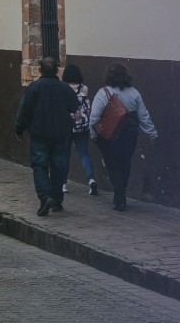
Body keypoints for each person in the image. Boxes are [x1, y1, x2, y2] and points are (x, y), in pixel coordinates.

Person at [89, 64, 157, 211]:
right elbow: (143, 116)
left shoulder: (103, 93)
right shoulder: (134, 93)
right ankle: (120, 196)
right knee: (125, 164)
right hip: (130, 135)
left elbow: (94, 117)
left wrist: (94, 135)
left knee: (112, 165)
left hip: (109, 136)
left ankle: (119, 198)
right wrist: (151, 132)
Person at [13, 56, 76, 216]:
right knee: (58, 167)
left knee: (40, 166)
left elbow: (24, 110)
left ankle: (45, 196)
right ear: (57, 71)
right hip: (60, 134)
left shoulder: (34, 87)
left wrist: (19, 129)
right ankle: (57, 199)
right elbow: (74, 106)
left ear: (40, 70)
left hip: (39, 134)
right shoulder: (64, 88)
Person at [62, 62, 97, 196]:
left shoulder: (63, 88)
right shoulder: (84, 89)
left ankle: (63, 184)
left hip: (67, 126)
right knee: (84, 154)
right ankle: (91, 179)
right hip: (82, 126)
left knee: (65, 155)